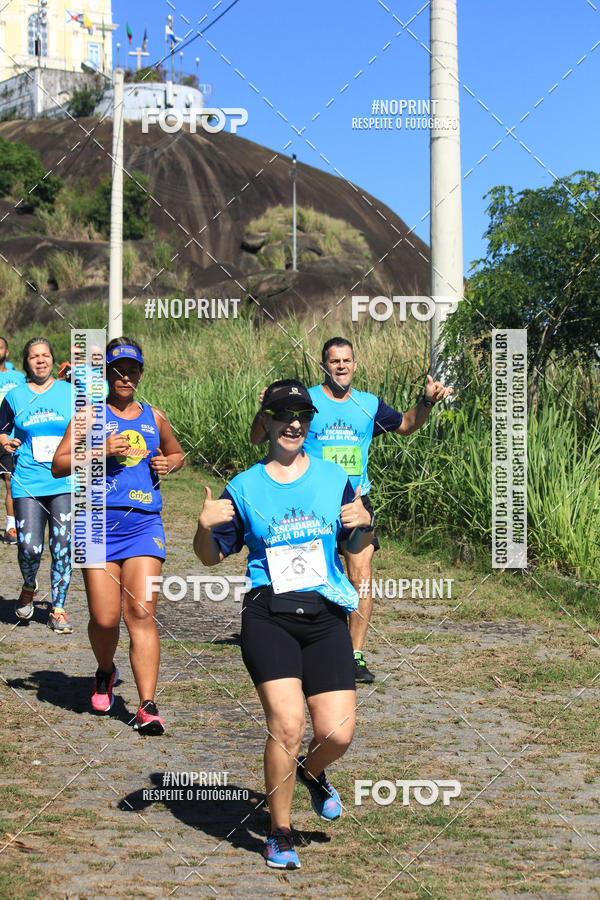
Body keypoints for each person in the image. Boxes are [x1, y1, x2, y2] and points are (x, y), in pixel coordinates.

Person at [195, 379, 374, 870]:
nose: (294, 423)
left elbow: (358, 543)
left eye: (302, 415)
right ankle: (279, 831)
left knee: (336, 734)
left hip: (324, 617)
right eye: (284, 414)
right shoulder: (245, 486)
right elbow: (210, 558)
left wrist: (366, 521)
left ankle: (311, 774)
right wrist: (202, 526)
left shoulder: (335, 478)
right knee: (288, 723)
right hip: (268, 615)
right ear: (268, 422)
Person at [251, 338, 452, 682]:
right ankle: (301, 642)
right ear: (324, 366)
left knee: (362, 575)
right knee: (308, 576)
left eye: (346, 360)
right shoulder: (307, 401)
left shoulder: (368, 405)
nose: (341, 366)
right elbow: (258, 438)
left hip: (356, 501)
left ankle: (354, 655)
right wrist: (266, 409)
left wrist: (427, 402)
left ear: (355, 365)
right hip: (312, 503)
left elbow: (405, 425)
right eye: (334, 361)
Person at [52, 337, 184, 735]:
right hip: (95, 523)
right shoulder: (88, 416)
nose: (125, 377)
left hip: (144, 523)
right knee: (105, 618)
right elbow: (58, 464)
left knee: (141, 614)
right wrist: (100, 449)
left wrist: (168, 463)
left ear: (141, 374)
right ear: (107, 374)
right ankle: (105, 671)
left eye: (132, 370)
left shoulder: (155, 416)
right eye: (118, 370)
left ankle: (147, 705)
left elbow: (176, 454)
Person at [0, 338, 73, 632]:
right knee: (30, 547)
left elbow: (91, 427)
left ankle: (58, 608)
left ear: (53, 360)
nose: (40, 360)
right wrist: (4, 441)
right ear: (26, 362)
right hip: (28, 481)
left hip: (65, 481)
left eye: (45, 355)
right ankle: (29, 586)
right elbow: (1, 431)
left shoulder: (71, 393)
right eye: (34, 356)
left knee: (63, 545)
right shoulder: (15, 396)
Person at [0, 336, 26, 544]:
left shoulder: (18, 378)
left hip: (8, 435)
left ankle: (11, 528)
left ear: (6, 352)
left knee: (10, 481)